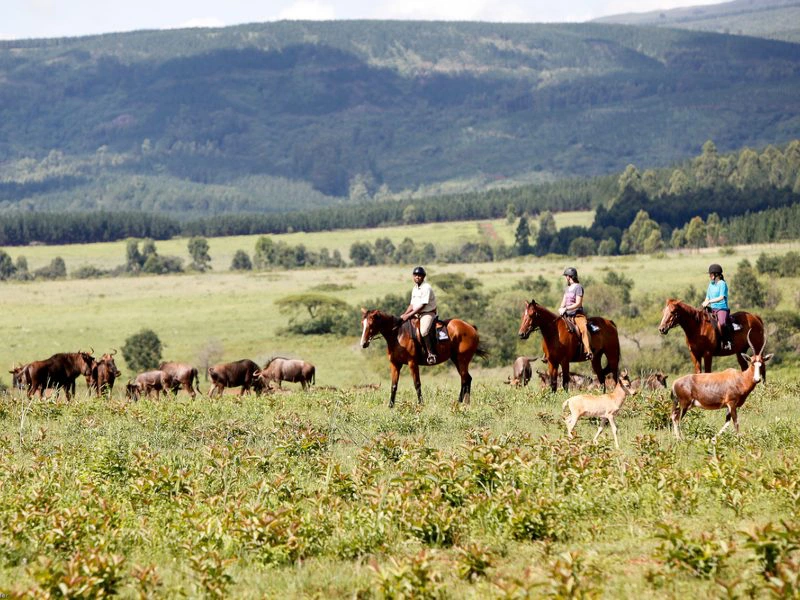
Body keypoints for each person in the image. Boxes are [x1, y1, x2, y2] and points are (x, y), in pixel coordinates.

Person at [400, 266, 439, 364]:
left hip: (428, 313)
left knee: (424, 331)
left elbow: (422, 305)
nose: (417, 277)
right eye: (415, 275)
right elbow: (412, 305)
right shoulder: (415, 288)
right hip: (417, 313)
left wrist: (409, 315)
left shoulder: (426, 288)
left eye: (419, 275)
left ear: (423, 277)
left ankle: (431, 354)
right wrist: (404, 314)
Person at [558, 267, 592, 360]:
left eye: (566, 276)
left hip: (577, 315)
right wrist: (561, 308)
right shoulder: (567, 289)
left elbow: (578, 303)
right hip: (566, 315)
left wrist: (566, 308)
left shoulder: (578, 287)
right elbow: (563, 302)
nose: (566, 278)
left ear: (569, 277)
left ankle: (588, 351)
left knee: (583, 329)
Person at [702, 263, 731, 350]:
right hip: (712, 308)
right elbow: (708, 296)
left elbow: (721, 297)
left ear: (716, 274)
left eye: (711, 274)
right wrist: (705, 301)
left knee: (722, 324)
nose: (709, 276)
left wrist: (709, 301)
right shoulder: (711, 284)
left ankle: (727, 341)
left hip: (721, 308)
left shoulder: (722, 284)